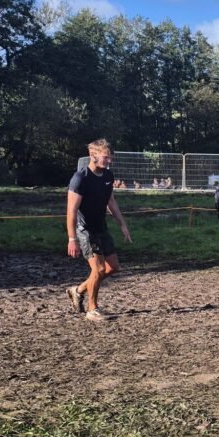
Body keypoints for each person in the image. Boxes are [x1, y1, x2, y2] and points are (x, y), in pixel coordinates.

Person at [65, 138, 132, 322]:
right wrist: (72, 239)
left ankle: (77, 291)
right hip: (85, 230)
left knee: (113, 268)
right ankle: (92, 310)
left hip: (101, 227)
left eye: (111, 158)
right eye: (106, 157)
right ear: (93, 155)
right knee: (99, 268)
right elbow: (71, 211)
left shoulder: (108, 177)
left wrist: (122, 224)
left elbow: (111, 202)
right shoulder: (80, 178)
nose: (109, 161)